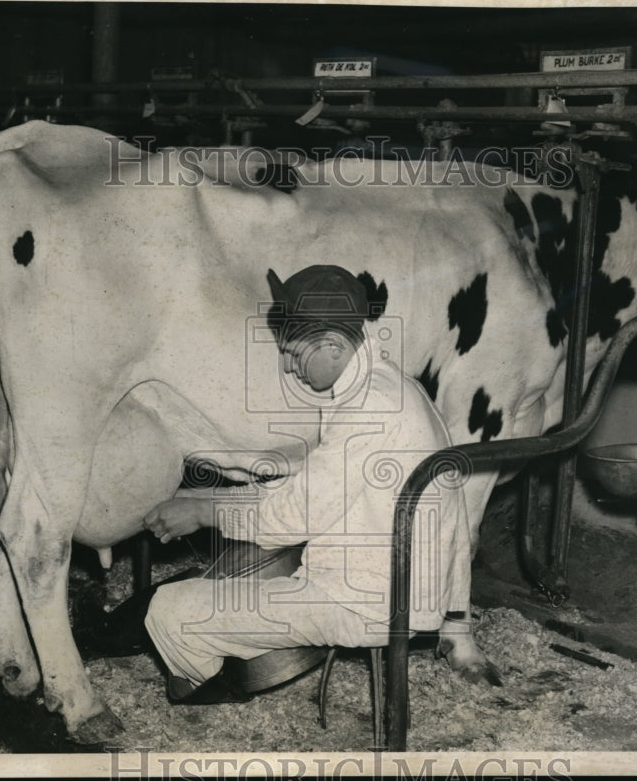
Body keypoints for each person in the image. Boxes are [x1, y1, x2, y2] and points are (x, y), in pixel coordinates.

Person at [133, 264, 480, 703]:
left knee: (167, 611)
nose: (288, 366)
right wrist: (209, 496)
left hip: (365, 602)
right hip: (400, 585)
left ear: (333, 346)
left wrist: (203, 511)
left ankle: (217, 700)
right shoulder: (393, 385)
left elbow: (295, 516)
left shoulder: (365, 410)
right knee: (223, 582)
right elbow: (313, 486)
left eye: (295, 354)